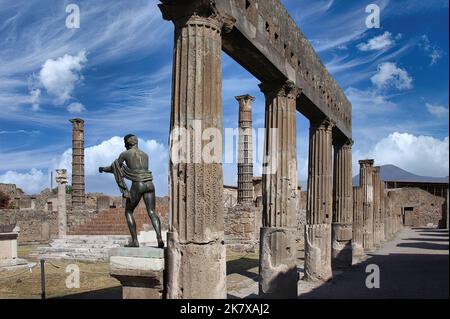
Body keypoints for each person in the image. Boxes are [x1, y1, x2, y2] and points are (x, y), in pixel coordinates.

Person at [99, 134, 164, 248]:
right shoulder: (145, 155)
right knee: (152, 212)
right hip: (150, 184)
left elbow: (114, 168)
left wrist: (103, 169)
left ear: (127, 143)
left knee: (128, 211)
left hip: (138, 184)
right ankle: (159, 239)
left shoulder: (125, 154)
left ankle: (135, 241)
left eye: (125, 143)